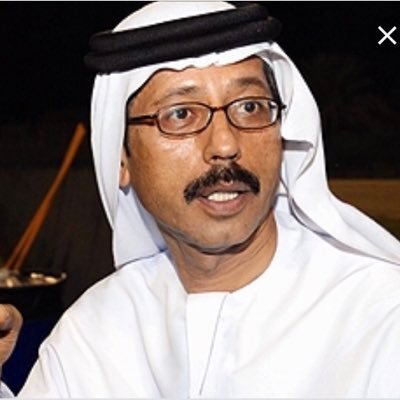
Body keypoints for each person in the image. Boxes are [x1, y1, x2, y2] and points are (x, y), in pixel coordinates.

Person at [1, 1, 400, 397]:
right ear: (120, 159)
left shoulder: (379, 318)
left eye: (250, 107)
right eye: (179, 115)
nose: (225, 144)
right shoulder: (92, 336)